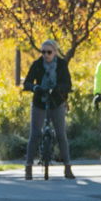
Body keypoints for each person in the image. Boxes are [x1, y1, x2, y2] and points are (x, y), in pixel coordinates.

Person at [21, 39, 75, 180]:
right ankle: (28, 168)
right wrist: (34, 87)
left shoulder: (62, 65)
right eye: (43, 52)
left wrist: (59, 89)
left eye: (49, 52)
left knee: (61, 134)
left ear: (55, 52)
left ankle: (68, 167)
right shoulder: (37, 65)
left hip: (57, 102)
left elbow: (68, 84)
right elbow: (27, 82)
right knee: (35, 134)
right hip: (40, 101)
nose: (46, 55)